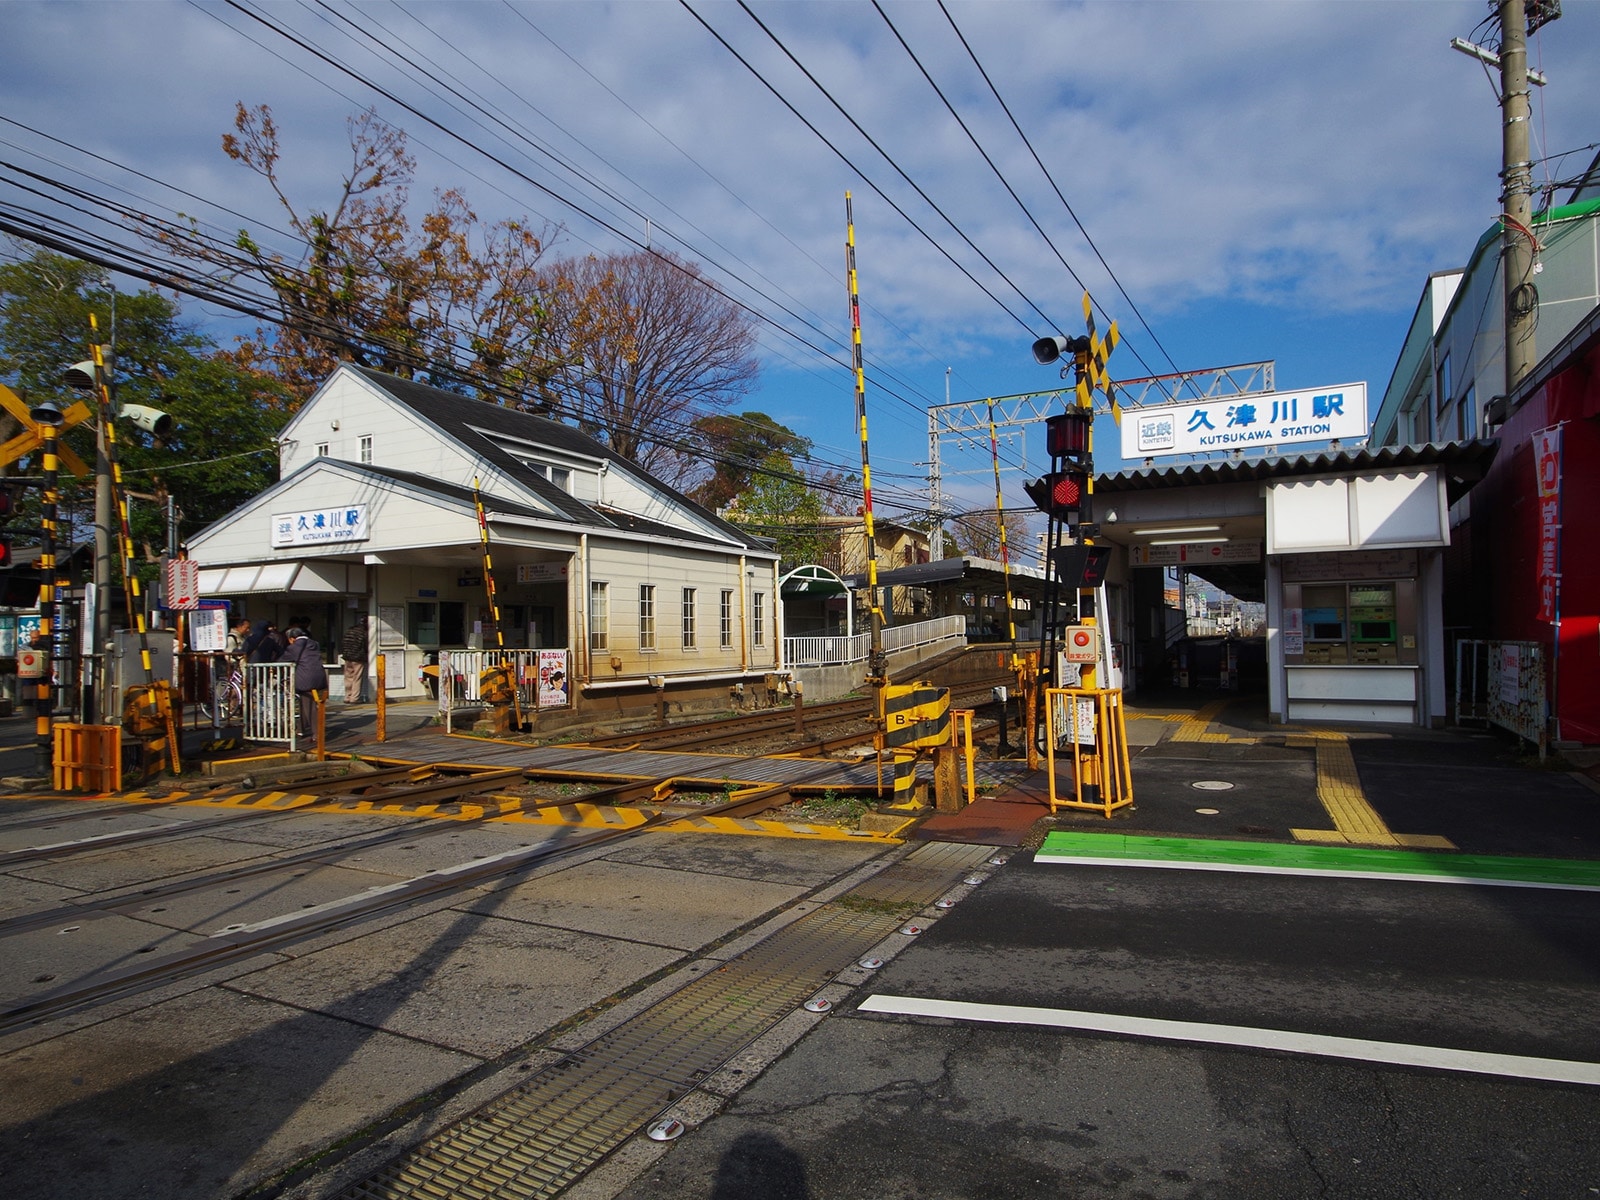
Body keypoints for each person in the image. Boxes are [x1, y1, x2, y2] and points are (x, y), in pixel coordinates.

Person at [280, 627, 328, 739]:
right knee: (306, 703)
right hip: (320, 676)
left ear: (292, 638)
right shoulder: (314, 643)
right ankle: (301, 729)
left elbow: (283, 660)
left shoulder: (295, 646)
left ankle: (317, 734)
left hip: (306, 678)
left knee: (309, 706)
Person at [340, 618, 368, 704]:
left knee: (348, 677)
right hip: (358, 657)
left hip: (347, 657)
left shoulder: (349, 631)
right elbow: (365, 645)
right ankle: (354, 698)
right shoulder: (363, 633)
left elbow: (343, 643)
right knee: (357, 678)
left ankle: (347, 696)